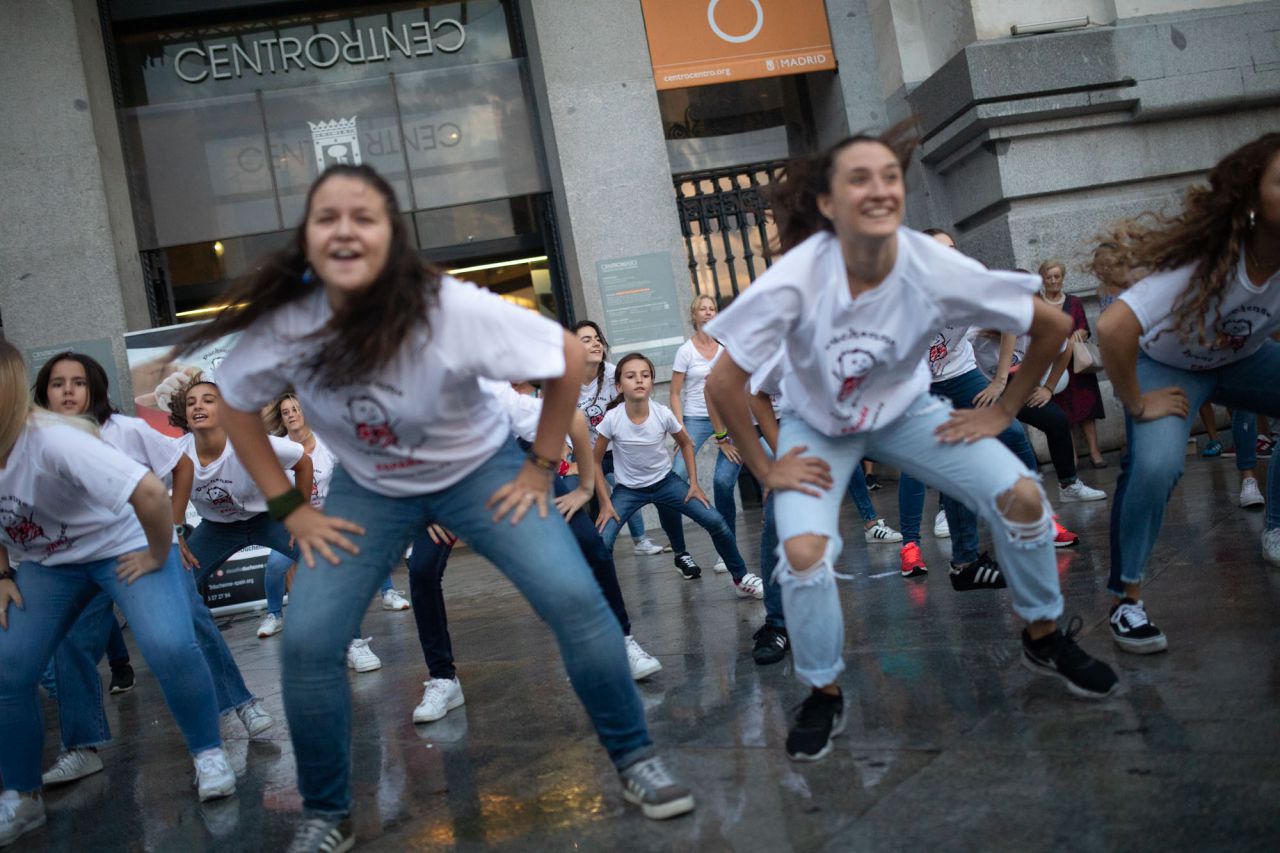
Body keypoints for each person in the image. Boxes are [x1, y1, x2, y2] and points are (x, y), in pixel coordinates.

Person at [181, 164, 693, 850]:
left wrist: (541, 465)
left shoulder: (447, 306)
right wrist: (288, 506)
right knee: (306, 638)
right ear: (308, 239)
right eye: (326, 216)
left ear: (391, 236)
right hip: (371, 488)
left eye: (363, 216)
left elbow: (567, 356)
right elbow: (239, 401)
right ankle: (328, 813)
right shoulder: (291, 326)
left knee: (574, 597)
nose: (344, 228)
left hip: (478, 470)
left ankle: (635, 757)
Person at [705, 127, 1119, 762]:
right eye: (858, 179)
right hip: (820, 428)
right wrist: (766, 464)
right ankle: (823, 691)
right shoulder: (795, 281)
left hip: (907, 414)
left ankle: (1042, 632)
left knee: (1024, 498)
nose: (879, 189)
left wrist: (1004, 407)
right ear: (827, 203)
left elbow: (1054, 326)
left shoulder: (931, 263)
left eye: (890, 177)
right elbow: (724, 382)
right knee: (805, 551)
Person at [0, 342, 235, 848]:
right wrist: (2, 573)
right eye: (58, 383)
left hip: (125, 544)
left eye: (78, 382)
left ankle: (208, 753)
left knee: (170, 644)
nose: (68, 391)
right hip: (52, 563)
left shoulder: (57, 442)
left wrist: (159, 552)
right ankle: (21, 798)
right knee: (9, 668)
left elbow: (151, 492)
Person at [1095, 132, 1280, 653]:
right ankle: (1125, 599)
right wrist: (1135, 401)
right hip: (1169, 366)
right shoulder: (1207, 259)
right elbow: (1113, 328)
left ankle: (1278, 523)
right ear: (1249, 199)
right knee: (1155, 466)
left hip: (1243, 362)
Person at [408, 379, 661, 725]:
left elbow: (571, 419)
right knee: (422, 568)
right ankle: (443, 679)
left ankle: (621, 641)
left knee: (590, 545)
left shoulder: (492, 394)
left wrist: (586, 487)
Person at [257, 393, 407, 675]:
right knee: (276, 565)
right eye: (286, 411)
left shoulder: (327, 443)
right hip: (298, 519)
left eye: (296, 409)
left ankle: (384, 598)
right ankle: (274, 614)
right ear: (282, 418)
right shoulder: (280, 449)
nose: (291, 414)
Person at [594, 353, 764, 598]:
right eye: (631, 377)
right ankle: (605, 598)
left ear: (652, 382)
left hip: (666, 482)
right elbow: (595, 460)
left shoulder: (662, 413)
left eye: (645, 375)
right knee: (602, 541)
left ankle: (741, 577)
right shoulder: (612, 418)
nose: (639, 381)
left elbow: (686, 443)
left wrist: (693, 483)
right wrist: (605, 502)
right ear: (619, 386)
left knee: (716, 522)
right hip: (628, 490)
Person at [573, 321, 667, 557]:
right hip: (585, 452)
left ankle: (641, 540)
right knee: (570, 490)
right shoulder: (568, 381)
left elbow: (633, 407)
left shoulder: (615, 374)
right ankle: (579, 546)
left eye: (597, 338)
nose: (595, 343)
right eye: (587, 340)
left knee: (623, 487)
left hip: (614, 449)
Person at [1039, 259, 1109, 468]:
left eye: (1057, 276)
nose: (1053, 281)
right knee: (1063, 412)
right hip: (1054, 366)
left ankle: (1095, 453)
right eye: (1049, 277)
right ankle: (1072, 456)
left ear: (1063, 278)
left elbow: (1085, 327)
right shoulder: (1039, 304)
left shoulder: (1075, 302)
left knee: (1087, 409)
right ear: (1042, 280)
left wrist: (1079, 332)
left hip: (1078, 365)